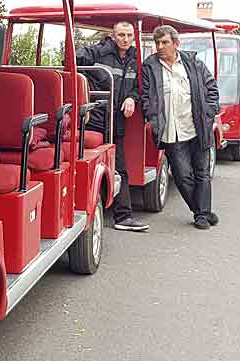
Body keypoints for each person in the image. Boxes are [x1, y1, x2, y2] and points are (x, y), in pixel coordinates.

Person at [139, 25, 220, 230]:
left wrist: (209, 113)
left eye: (164, 42)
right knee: (183, 175)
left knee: (202, 173)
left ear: (176, 44)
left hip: (197, 127)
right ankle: (203, 210)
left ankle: (200, 214)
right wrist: (151, 114)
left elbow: (211, 87)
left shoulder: (193, 62)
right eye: (157, 42)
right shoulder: (150, 66)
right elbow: (146, 96)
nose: (160, 46)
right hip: (171, 132)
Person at [75, 21, 148, 232]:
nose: (125, 39)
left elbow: (137, 87)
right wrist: (106, 46)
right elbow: (73, 59)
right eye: (121, 35)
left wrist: (132, 98)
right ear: (113, 36)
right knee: (90, 166)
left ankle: (123, 217)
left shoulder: (136, 59)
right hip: (95, 119)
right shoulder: (98, 52)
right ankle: (85, 209)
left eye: (129, 36)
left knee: (120, 168)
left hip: (117, 122)